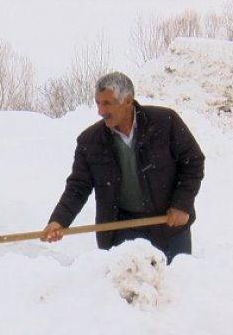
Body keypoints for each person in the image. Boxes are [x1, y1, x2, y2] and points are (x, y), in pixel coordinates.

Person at [41, 71, 205, 264]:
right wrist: (59, 221)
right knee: (128, 289)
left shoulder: (164, 123)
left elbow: (192, 162)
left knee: (173, 287)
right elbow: (78, 187)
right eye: (98, 103)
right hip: (122, 230)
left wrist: (181, 204)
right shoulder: (90, 142)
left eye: (107, 103)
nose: (100, 111)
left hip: (168, 226)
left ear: (127, 101)